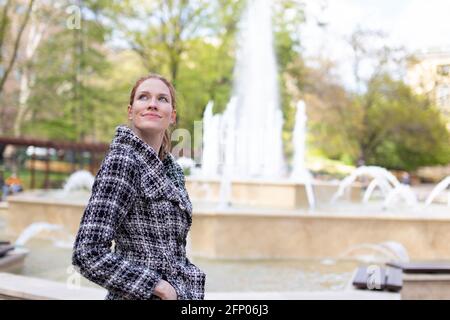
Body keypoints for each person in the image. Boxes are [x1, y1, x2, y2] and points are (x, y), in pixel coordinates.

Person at [72, 74, 205, 300]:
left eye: (162, 99)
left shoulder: (171, 171)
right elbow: (87, 253)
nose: (152, 103)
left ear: (172, 116)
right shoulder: (123, 160)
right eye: (144, 97)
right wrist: (159, 287)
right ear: (131, 111)